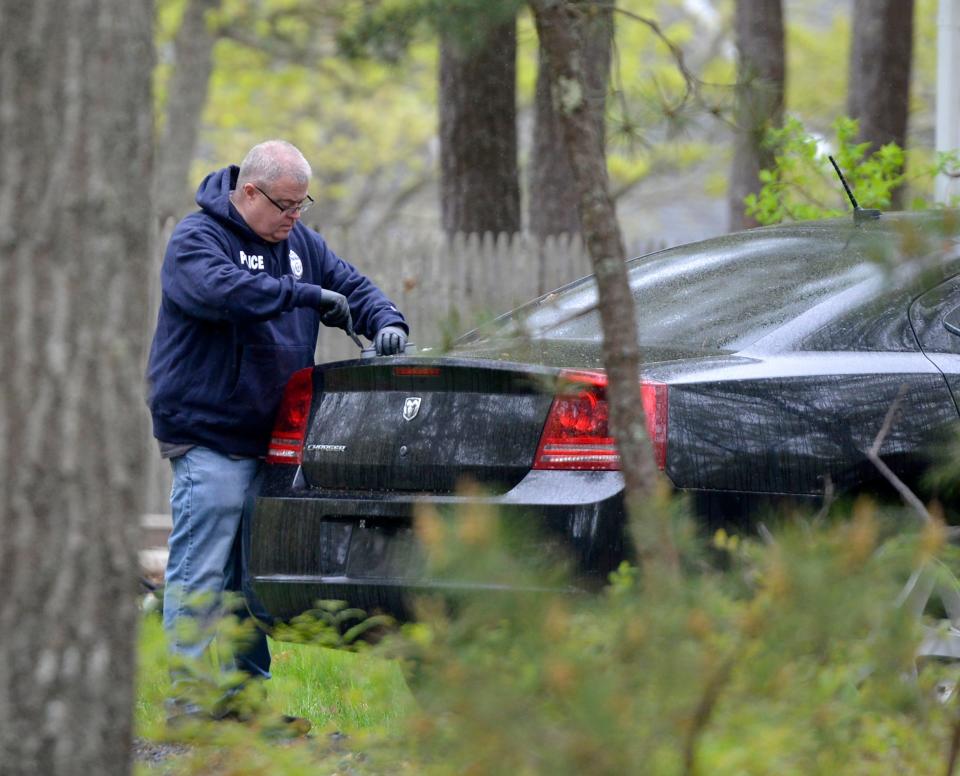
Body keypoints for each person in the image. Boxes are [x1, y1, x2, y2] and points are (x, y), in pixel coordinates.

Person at [145, 139, 408, 723]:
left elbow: (354, 288)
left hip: (275, 443)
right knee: (201, 568)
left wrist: (386, 320)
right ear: (248, 192)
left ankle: (245, 702)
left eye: (301, 206)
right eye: (285, 206)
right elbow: (223, 293)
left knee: (246, 576)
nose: (294, 218)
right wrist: (307, 296)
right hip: (208, 433)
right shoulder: (198, 239)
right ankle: (188, 699)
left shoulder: (301, 245)